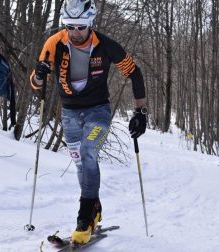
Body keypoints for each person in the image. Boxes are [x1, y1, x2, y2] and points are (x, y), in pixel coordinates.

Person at [29, 0, 148, 244]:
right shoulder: (54, 43)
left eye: (81, 27)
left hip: (98, 112)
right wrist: (38, 75)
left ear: (90, 24)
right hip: (70, 113)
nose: (75, 33)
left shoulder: (104, 45)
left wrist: (140, 112)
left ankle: (84, 219)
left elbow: (134, 72)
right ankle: (94, 206)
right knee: (80, 164)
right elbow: (35, 84)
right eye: (70, 27)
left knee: (89, 151)